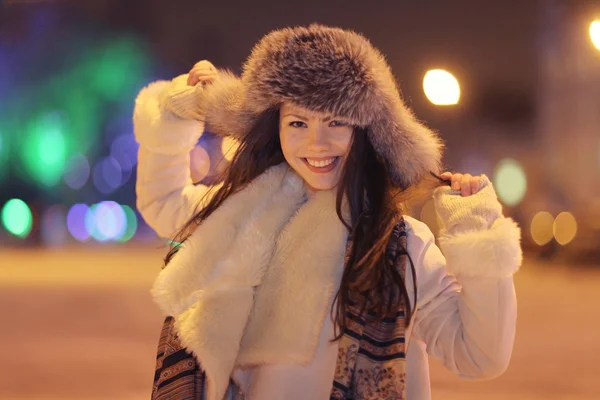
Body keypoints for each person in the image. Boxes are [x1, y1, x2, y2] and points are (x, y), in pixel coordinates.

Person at [134, 25, 522, 400]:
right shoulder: (239, 216)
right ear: (276, 128)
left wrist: (478, 235)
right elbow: (163, 202)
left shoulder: (399, 248)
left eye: (336, 121)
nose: (316, 143)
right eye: (298, 123)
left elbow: (479, 356)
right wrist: (176, 112)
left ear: (366, 131)